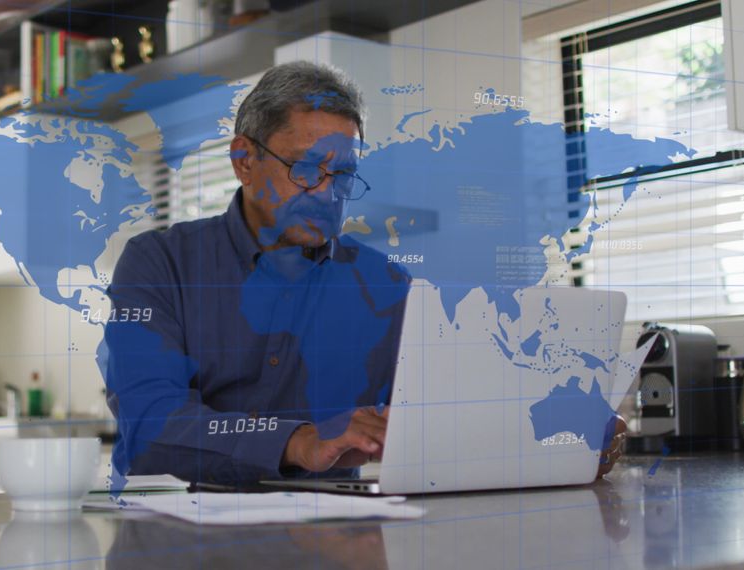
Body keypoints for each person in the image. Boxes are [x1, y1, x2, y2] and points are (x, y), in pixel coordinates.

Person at [102, 61, 625, 485]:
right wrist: (298, 441)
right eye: (306, 169)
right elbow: (148, 419)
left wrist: (564, 428)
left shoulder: (387, 286)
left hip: (338, 538)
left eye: (344, 174)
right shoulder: (159, 264)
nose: (327, 193)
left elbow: (456, 407)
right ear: (244, 160)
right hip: (182, 537)